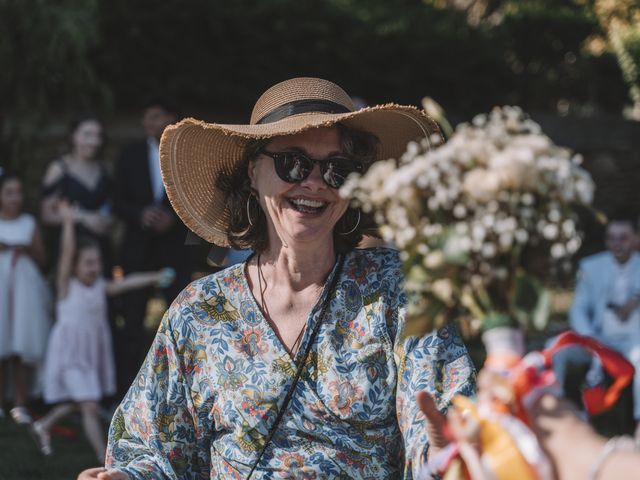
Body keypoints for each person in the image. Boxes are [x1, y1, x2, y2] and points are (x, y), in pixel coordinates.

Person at [77, 77, 476, 479]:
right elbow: (150, 448)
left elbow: (440, 416)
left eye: (338, 169)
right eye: (293, 162)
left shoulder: (398, 292)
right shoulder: (200, 312)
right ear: (253, 172)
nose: (315, 182)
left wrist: (443, 453)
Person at [32, 201, 175, 463]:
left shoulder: (99, 286)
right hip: (71, 354)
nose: (94, 267)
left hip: (90, 354)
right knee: (88, 404)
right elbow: (66, 252)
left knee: (83, 401)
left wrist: (154, 276)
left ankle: (43, 425)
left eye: (97, 262)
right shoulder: (66, 286)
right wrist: (67, 222)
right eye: (87, 263)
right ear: (73, 266)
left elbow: (128, 282)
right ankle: (103, 456)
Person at [112, 99, 190, 398]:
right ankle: (128, 391)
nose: (149, 123)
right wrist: (140, 215)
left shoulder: (183, 154)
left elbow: (195, 199)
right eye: (146, 117)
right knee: (132, 321)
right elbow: (118, 200)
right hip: (137, 251)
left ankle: (177, 391)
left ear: (171, 117)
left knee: (177, 321)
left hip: (173, 251)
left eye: (155, 116)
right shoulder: (129, 155)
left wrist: (173, 219)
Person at [554, 214, 640, 439]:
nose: (617, 244)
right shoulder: (591, 267)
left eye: (623, 238)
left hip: (635, 340)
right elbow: (578, 309)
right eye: (612, 238)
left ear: (636, 239)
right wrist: (590, 338)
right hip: (600, 338)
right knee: (559, 353)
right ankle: (557, 419)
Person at [0, 171, 51, 424]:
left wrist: (28, 249)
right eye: (9, 193)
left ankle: (20, 403)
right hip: (1, 286)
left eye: (18, 193)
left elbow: (42, 260)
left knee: (19, 343)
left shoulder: (29, 223)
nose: (14, 198)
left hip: (24, 288)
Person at [40, 115, 114, 272]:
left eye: (98, 135)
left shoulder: (105, 169)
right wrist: (84, 218)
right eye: (87, 135)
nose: (94, 141)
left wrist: (107, 221)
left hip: (100, 247)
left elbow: (112, 207)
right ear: (73, 136)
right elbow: (47, 215)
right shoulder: (59, 168)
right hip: (70, 247)